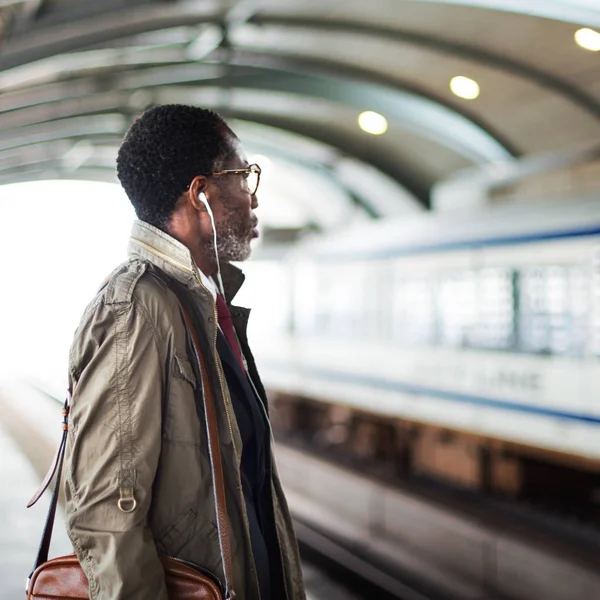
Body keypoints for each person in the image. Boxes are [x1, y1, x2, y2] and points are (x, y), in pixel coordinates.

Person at [63, 104, 305, 600]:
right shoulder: (137, 311)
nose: (253, 199)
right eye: (242, 176)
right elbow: (108, 518)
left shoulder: (202, 304)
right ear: (201, 193)